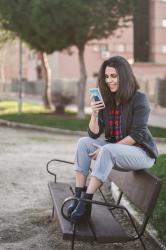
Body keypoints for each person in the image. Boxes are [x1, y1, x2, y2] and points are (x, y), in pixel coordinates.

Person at [67, 55, 158, 223]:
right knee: (83, 143)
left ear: (124, 76)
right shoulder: (107, 100)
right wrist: (94, 113)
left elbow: (137, 134)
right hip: (116, 151)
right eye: (107, 76)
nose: (110, 80)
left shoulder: (139, 99)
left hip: (141, 153)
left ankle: (86, 203)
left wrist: (105, 150)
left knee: (108, 148)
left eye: (114, 76)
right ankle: (78, 196)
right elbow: (93, 134)